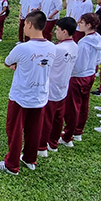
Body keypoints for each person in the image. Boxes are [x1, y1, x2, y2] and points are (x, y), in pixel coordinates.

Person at [0, 11, 56, 175]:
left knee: (14, 130)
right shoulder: (52, 47)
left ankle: (12, 164)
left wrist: (16, 65)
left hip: (21, 96)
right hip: (40, 95)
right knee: (34, 129)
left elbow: (8, 62)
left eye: (25, 25)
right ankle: (30, 158)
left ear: (29, 24)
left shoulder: (22, 48)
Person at [58, 13, 101, 147]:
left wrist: (70, 73)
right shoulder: (97, 39)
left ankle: (67, 137)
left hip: (79, 76)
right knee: (83, 104)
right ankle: (77, 132)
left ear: (89, 25)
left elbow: (79, 64)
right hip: (90, 74)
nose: (79, 25)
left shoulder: (84, 43)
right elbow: (98, 59)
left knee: (73, 107)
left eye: (81, 23)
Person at [38, 17, 78, 157]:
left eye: (57, 29)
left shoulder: (58, 49)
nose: (55, 32)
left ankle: (42, 146)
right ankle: (53, 143)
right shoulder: (74, 46)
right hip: (63, 87)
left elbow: (43, 64)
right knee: (58, 117)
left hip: (52, 87)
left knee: (47, 118)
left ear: (65, 32)